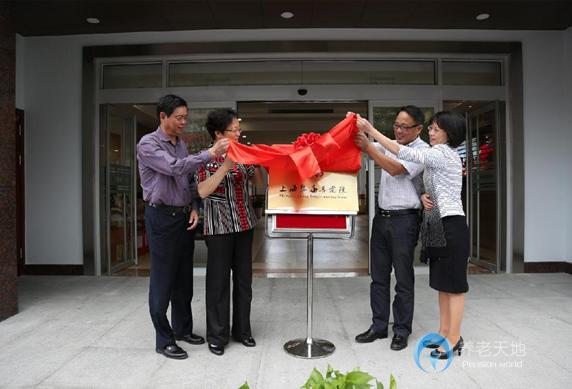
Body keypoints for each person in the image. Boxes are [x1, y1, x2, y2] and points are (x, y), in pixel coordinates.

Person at [357, 111, 469, 360]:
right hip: (436, 223)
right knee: (442, 284)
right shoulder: (437, 155)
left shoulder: (441, 152)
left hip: (451, 224)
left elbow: (402, 156)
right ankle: (443, 333)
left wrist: (372, 132)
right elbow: (427, 182)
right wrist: (422, 194)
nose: (432, 132)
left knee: (454, 286)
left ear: (449, 132)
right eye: (431, 128)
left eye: (436, 129)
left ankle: (454, 338)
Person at [137, 94, 229, 360]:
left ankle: (182, 329)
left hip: (182, 217)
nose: (183, 122)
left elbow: (187, 181)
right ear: (163, 116)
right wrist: (210, 154)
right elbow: (175, 168)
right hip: (162, 218)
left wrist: (194, 207)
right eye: (179, 117)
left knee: (183, 280)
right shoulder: (148, 144)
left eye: (185, 117)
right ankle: (163, 339)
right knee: (163, 280)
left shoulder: (180, 144)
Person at [353, 106, 429, 351]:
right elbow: (370, 145)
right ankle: (378, 326)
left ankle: (402, 330)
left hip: (405, 221)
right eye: (396, 125)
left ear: (419, 128)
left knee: (403, 279)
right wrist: (357, 127)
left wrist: (369, 144)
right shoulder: (389, 143)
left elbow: (395, 169)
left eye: (404, 127)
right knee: (378, 277)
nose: (398, 130)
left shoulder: (422, 151)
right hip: (382, 218)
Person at [195, 109, 262, 356]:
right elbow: (202, 191)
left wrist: (258, 164)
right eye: (233, 130)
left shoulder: (243, 154)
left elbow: (257, 184)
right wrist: (226, 165)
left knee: (244, 282)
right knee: (218, 283)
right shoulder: (203, 158)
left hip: (244, 225)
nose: (238, 133)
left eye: (238, 129)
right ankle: (217, 335)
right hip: (219, 229)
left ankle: (242, 331)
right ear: (218, 133)